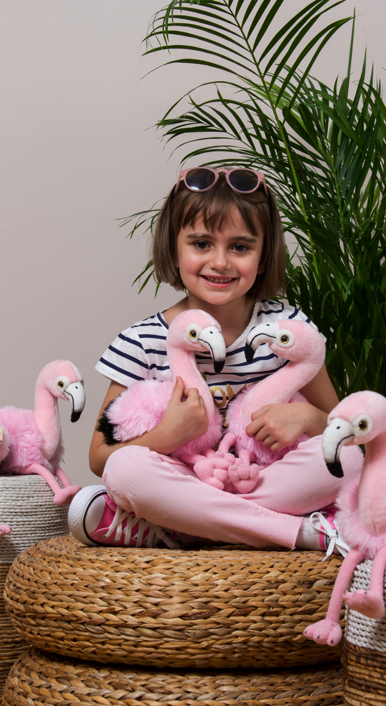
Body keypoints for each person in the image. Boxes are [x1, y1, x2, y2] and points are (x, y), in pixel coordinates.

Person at [68, 167, 362, 552]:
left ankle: (181, 528)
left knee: (350, 457)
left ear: (263, 256)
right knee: (126, 470)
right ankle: (297, 531)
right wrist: (167, 436)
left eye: (240, 247)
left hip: (262, 479)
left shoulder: (289, 329)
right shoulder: (141, 342)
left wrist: (309, 418)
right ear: (174, 249)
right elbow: (99, 458)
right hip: (183, 479)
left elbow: (347, 430)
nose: (220, 262)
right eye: (202, 243)